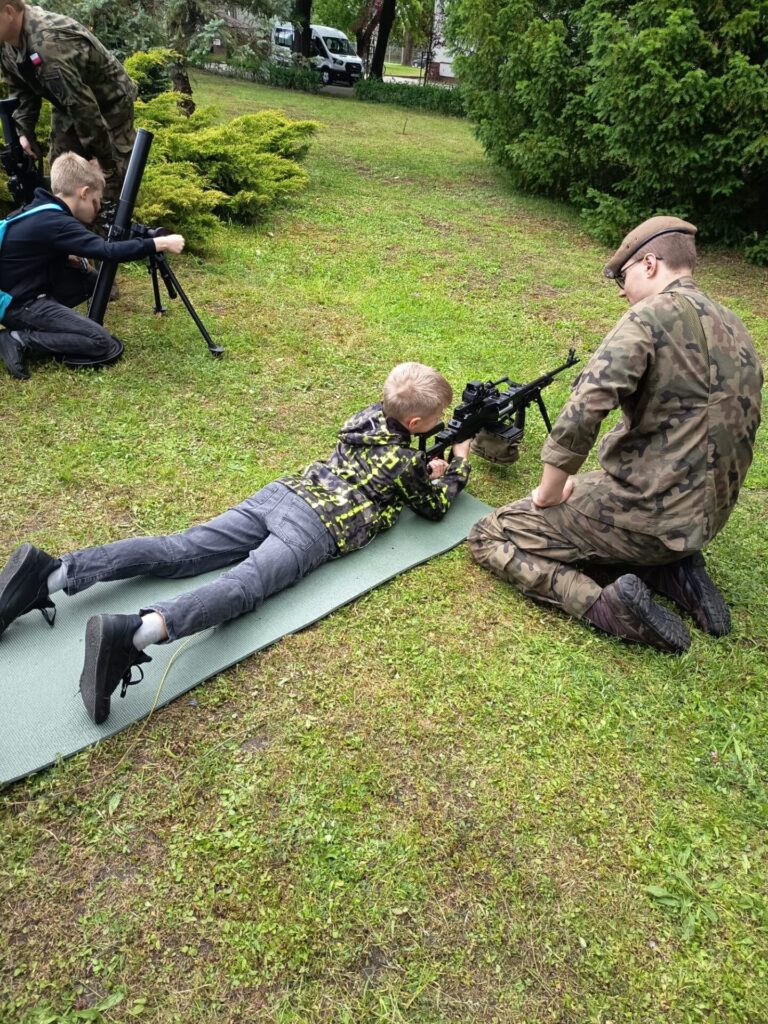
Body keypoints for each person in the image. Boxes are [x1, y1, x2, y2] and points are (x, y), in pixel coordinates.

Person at [0, 362, 472, 723]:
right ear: (415, 423)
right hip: (317, 526)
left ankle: (53, 573)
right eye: (437, 418)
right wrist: (456, 463)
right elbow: (433, 506)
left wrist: (420, 461)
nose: (442, 421)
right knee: (245, 586)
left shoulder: (367, 416)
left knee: (179, 550)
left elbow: (389, 455)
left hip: (281, 495)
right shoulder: (404, 462)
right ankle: (136, 634)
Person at [468, 216, 763, 654]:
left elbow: (586, 407)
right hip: (707, 518)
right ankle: (672, 568)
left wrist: (549, 492)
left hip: (649, 514)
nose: (622, 291)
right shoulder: (735, 324)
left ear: (649, 264)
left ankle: (605, 605)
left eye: (622, 277)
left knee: (489, 533)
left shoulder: (648, 317)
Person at [0, 152, 184, 379]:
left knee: (92, 280)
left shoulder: (42, 209)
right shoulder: (58, 222)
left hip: (20, 291)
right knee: (101, 342)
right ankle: (18, 339)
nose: (97, 209)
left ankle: (52, 326)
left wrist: (66, 259)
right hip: (20, 305)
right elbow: (108, 251)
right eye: (96, 201)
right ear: (84, 193)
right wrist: (160, 243)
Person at [0, 0, 137, 201]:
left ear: (9, 12)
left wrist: (103, 160)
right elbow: (21, 88)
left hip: (109, 105)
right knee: (63, 181)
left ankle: (102, 215)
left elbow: (83, 107)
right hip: (68, 101)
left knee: (106, 186)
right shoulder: (7, 41)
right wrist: (24, 132)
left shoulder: (47, 45)